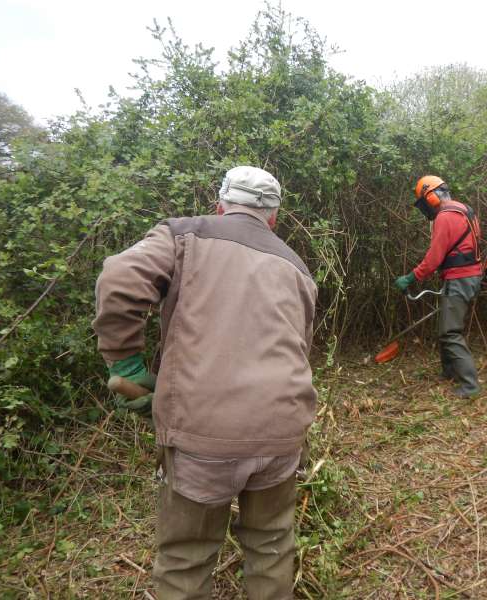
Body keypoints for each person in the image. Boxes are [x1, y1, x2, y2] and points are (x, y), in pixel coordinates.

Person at [92, 166, 317, 600]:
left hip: (204, 435)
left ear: (220, 204)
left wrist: (126, 364)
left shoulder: (183, 236)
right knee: (271, 546)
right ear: (273, 217)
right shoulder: (297, 267)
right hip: (283, 431)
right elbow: (300, 347)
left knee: (186, 558)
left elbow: (119, 280)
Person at [394, 175, 482, 398]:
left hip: (460, 278)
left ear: (432, 196)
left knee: (450, 332)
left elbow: (433, 259)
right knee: (446, 324)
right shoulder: (464, 210)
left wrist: (410, 277)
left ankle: (470, 386)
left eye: (424, 202)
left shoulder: (445, 217)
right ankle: (449, 371)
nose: (425, 209)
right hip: (469, 276)